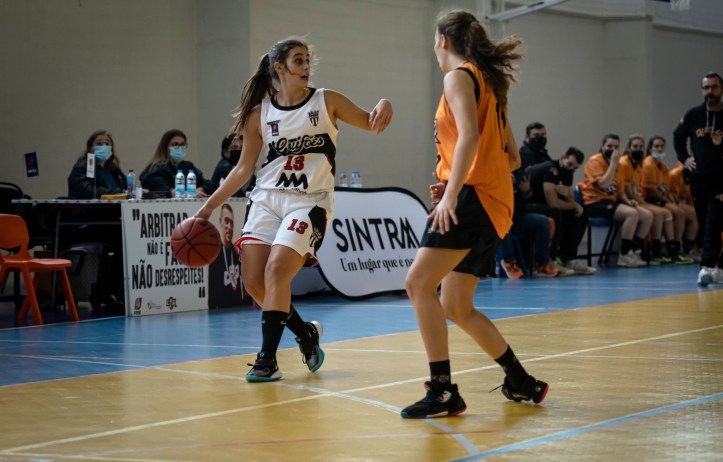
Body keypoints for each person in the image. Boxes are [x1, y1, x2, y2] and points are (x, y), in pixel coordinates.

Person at [195, 37, 392, 381]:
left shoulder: (326, 100)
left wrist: (384, 104)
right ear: (279, 67)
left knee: (276, 272)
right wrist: (207, 208)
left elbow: (372, 122)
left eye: (307, 60)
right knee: (254, 282)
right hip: (266, 199)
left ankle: (267, 361)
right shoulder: (260, 114)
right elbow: (242, 170)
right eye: (298, 60)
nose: (306, 66)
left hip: (309, 201)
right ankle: (305, 334)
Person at [401, 10, 547, 420]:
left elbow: (470, 135)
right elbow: (512, 158)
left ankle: (442, 390)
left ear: (443, 41)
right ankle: (520, 380)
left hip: (474, 200)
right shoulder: (490, 84)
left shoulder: (458, 77)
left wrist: (452, 194)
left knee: (417, 283)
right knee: (455, 306)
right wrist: (455, 179)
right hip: (495, 205)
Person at [673, 71, 723, 286]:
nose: (710, 91)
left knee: (713, 223)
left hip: (720, 180)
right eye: (706, 87)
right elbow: (678, 136)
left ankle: (707, 266)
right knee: (704, 223)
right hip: (699, 180)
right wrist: (684, 158)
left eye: (714, 87)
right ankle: (718, 267)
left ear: (721, 89)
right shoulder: (693, 115)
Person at [582, 133, 651, 268]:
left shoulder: (618, 165)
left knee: (647, 215)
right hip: (595, 202)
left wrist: (627, 201)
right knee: (632, 214)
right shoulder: (595, 161)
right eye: (609, 146)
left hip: (611, 201)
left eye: (616, 147)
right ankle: (624, 254)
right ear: (603, 146)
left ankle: (635, 250)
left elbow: (620, 190)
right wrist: (613, 164)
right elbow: (603, 184)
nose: (613, 149)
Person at [526, 147, 595, 275]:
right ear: (563, 157)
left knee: (580, 214)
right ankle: (550, 260)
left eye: (575, 168)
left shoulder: (567, 172)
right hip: (527, 203)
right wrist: (574, 205)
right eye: (569, 164)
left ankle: (567, 258)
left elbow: (570, 197)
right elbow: (553, 204)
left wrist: (569, 198)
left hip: (542, 204)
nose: (571, 169)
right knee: (557, 214)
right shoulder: (551, 169)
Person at [618, 135, 672, 265]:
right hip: (624, 200)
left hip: (635, 198)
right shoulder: (624, 163)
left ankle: (637, 250)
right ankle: (634, 252)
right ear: (628, 148)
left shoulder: (638, 164)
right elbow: (628, 192)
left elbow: (634, 190)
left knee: (655, 213)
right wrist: (644, 203)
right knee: (657, 213)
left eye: (641, 147)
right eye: (635, 146)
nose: (638, 149)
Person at [641, 135, 694, 264]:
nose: (659, 149)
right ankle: (673, 249)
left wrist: (672, 200)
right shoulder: (648, 163)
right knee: (678, 213)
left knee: (692, 213)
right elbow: (651, 190)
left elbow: (666, 189)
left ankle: (686, 249)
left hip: (662, 198)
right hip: (650, 199)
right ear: (650, 148)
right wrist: (668, 201)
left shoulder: (663, 166)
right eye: (656, 146)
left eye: (661, 146)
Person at [499, 173, 560, 278]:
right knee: (501, 223)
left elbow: (526, 200)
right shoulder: (495, 173)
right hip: (499, 218)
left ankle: (542, 265)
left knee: (543, 221)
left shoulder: (517, 174)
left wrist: (526, 191)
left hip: (517, 217)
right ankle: (509, 262)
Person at [139, 129, 210, 197]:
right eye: (175, 144)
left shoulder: (188, 166)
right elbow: (160, 187)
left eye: (182, 144)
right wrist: (183, 193)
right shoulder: (156, 168)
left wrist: (201, 189)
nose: (180, 148)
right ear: (165, 147)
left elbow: (208, 184)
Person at [67, 130, 127, 199]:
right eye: (99, 144)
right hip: (91, 205)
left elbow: (126, 188)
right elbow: (88, 191)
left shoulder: (113, 168)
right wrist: (116, 192)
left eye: (107, 144)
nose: (104, 147)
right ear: (90, 148)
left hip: (116, 205)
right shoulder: (83, 166)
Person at [207, 203, 242, 309]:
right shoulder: (214, 255)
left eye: (232, 223)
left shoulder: (237, 252)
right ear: (220, 222)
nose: (229, 227)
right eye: (226, 221)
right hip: (221, 312)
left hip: (239, 310)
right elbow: (212, 299)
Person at [668, 160, 699, 261]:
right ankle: (676, 248)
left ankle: (688, 248)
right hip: (669, 200)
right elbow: (672, 195)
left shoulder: (693, 176)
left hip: (679, 201)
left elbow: (690, 198)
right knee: (683, 213)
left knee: (696, 213)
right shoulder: (675, 174)